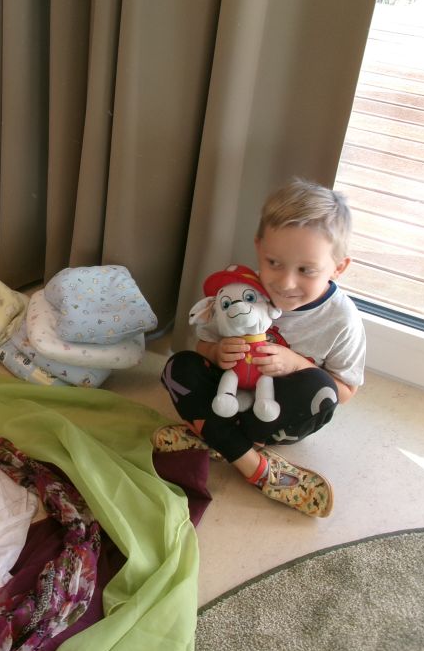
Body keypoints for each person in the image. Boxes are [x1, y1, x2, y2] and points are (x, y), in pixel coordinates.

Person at [155, 178, 365, 518]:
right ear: (259, 247)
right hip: (228, 396)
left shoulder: (342, 319)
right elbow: (203, 343)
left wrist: (296, 364)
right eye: (274, 263)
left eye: (306, 270)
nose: (285, 282)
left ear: (338, 267)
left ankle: (218, 438)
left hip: (275, 414)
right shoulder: (240, 292)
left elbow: (345, 391)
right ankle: (254, 465)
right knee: (178, 367)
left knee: (320, 389)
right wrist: (215, 352)